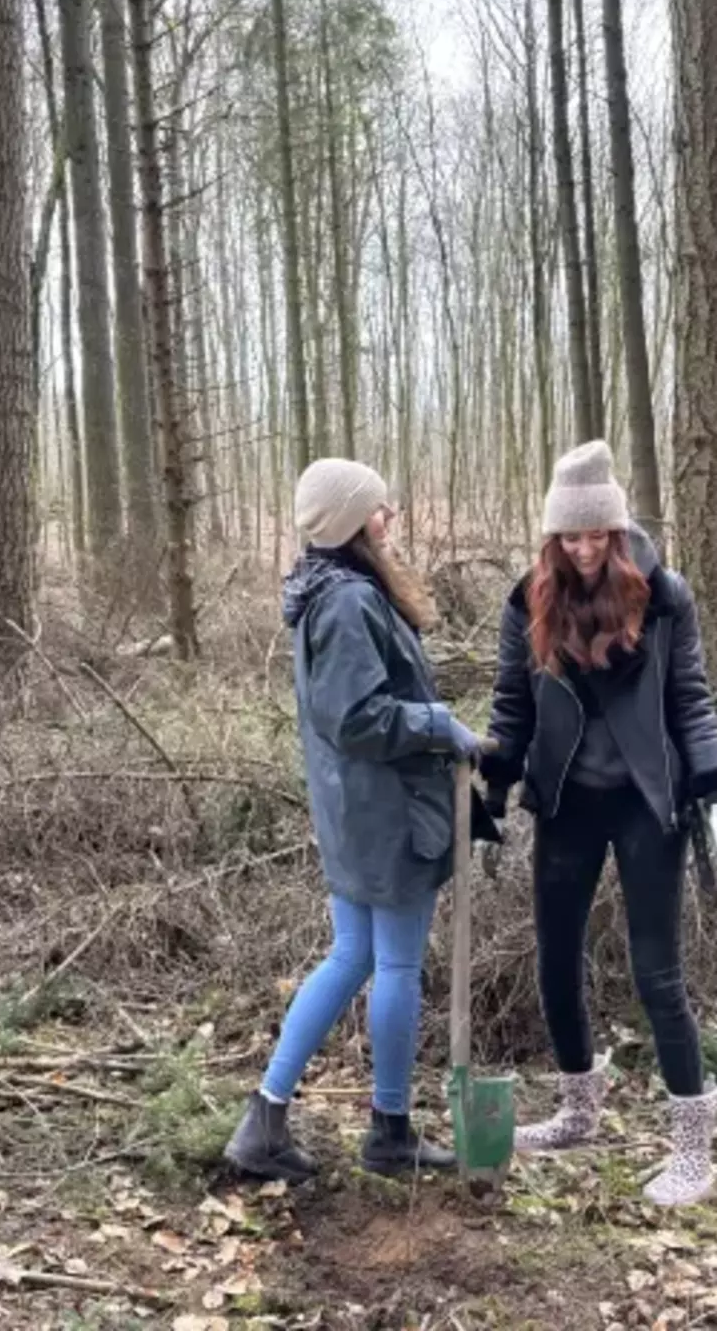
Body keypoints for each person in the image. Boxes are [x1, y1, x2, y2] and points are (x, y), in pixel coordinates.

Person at [478, 440, 717, 1208]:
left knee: (656, 973)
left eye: (598, 534)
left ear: (619, 531)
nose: (587, 549)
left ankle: (692, 1148)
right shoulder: (524, 600)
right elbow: (512, 705)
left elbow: (691, 700)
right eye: (571, 536)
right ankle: (576, 1111)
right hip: (566, 801)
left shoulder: (665, 597)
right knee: (555, 960)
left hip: (645, 800)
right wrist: (490, 796)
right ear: (553, 539)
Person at [224, 458, 489, 1183]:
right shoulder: (345, 603)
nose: (390, 516)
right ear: (349, 525)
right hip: (386, 814)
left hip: (359, 809)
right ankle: (388, 1132)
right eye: (377, 509)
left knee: (354, 958)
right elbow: (358, 717)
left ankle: (267, 1120)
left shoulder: (337, 591)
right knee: (391, 963)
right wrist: (439, 723)